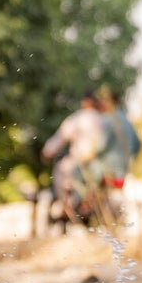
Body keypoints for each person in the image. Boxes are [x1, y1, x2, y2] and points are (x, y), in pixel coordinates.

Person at [41, 89, 107, 230]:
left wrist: (47, 152)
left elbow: (59, 139)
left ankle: (66, 208)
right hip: (101, 165)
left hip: (79, 162)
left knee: (61, 174)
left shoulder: (78, 118)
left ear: (85, 102)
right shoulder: (105, 120)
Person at [94, 84, 141, 186]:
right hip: (123, 172)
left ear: (108, 102)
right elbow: (137, 145)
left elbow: (100, 146)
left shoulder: (107, 119)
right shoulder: (127, 120)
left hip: (106, 174)